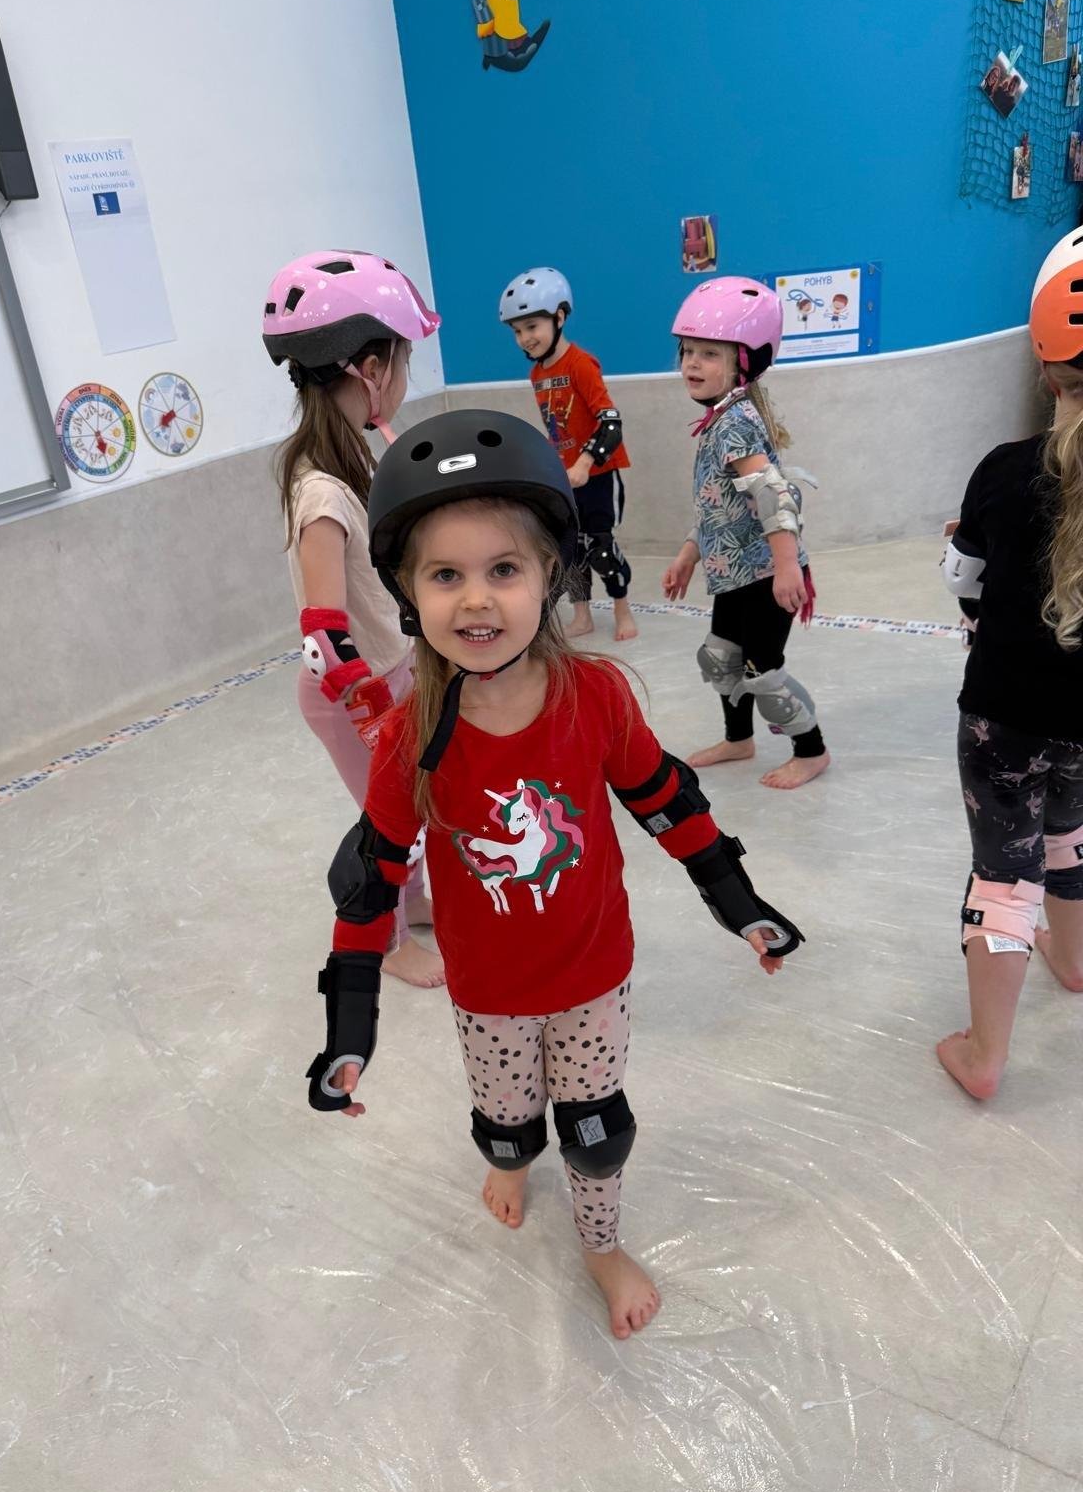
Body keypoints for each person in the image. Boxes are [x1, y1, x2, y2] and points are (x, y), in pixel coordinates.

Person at [304, 408, 804, 1338]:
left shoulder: (596, 697)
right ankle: (507, 1160)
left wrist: (739, 905)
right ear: (409, 594)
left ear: (549, 575)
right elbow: (372, 878)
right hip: (488, 992)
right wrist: (349, 1031)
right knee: (505, 1123)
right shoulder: (410, 734)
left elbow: (666, 803)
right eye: (446, 576)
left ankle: (601, 1246)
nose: (477, 601)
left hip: (591, 977)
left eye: (504, 570)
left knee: (597, 1129)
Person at [263, 248, 443, 987]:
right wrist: (368, 707)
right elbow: (323, 633)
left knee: (414, 804)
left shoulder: (351, 464)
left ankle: (416, 900)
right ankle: (385, 940)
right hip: (348, 691)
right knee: (387, 818)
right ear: (370, 367)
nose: (404, 377)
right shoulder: (322, 494)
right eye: (403, 360)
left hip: (386, 670)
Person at [936, 227, 1083, 1099]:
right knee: (1070, 830)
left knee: (1006, 868)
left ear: (1046, 367)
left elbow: (964, 582)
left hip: (1003, 718)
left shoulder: (1002, 469)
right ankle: (1075, 960)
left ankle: (985, 1056)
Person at [662, 277, 831, 790]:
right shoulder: (720, 420)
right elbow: (719, 505)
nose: (692, 363)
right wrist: (689, 553)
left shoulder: (734, 424)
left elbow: (772, 495)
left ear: (743, 361)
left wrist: (786, 566)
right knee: (721, 659)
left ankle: (812, 751)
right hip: (733, 574)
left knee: (762, 671)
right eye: (688, 351)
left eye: (709, 354)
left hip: (763, 574)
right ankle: (739, 740)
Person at [499, 266, 637, 642]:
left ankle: (622, 609)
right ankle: (582, 615)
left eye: (532, 326)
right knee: (571, 549)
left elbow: (610, 422)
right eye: (517, 331)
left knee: (600, 547)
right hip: (566, 476)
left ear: (559, 317)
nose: (525, 338)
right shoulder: (537, 375)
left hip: (598, 475)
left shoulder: (581, 364)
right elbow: (557, 429)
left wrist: (585, 462)